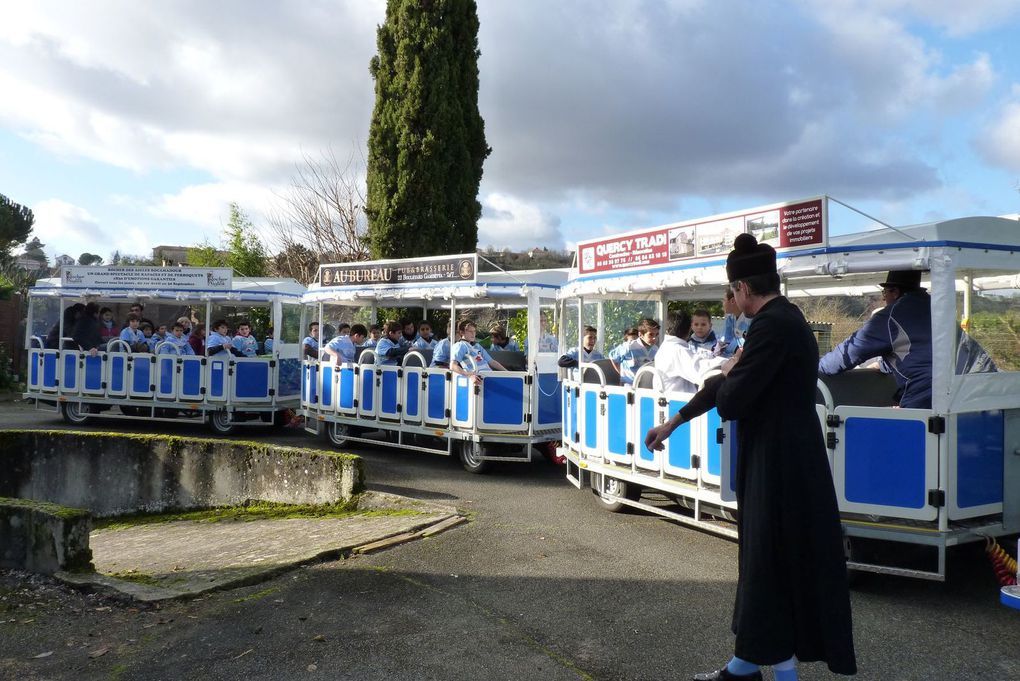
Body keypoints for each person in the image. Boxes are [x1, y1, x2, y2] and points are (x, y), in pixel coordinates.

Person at [645, 234, 856, 681]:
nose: (730, 300)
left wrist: (728, 369)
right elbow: (725, 387)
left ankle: (777, 671)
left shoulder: (772, 326)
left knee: (768, 562)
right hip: (780, 458)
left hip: (780, 464)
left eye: (731, 292)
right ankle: (747, 666)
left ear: (742, 288)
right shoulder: (781, 319)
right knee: (765, 561)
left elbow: (733, 398)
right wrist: (673, 422)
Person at [818, 270, 932, 409]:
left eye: (884, 293)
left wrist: (815, 367)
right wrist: (884, 364)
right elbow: (922, 351)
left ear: (895, 292)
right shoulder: (935, 307)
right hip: (960, 391)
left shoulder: (891, 316)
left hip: (925, 396)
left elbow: (849, 352)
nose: (884, 299)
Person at [655, 311, 726, 393]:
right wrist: (727, 362)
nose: (699, 327)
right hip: (677, 401)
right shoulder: (677, 350)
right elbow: (701, 370)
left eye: (703, 324)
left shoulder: (667, 346)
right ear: (690, 329)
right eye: (696, 324)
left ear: (667, 329)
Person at [608, 318, 659, 385]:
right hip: (629, 386)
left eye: (657, 334)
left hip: (645, 385)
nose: (654, 338)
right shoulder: (629, 347)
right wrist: (622, 375)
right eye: (651, 335)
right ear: (640, 335)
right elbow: (612, 356)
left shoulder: (655, 349)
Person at [716, 288, 751, 358]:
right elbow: (727, 341)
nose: (722, 303)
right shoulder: (730, 318)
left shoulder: (750, 318)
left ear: (732, 301)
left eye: (724, 300)